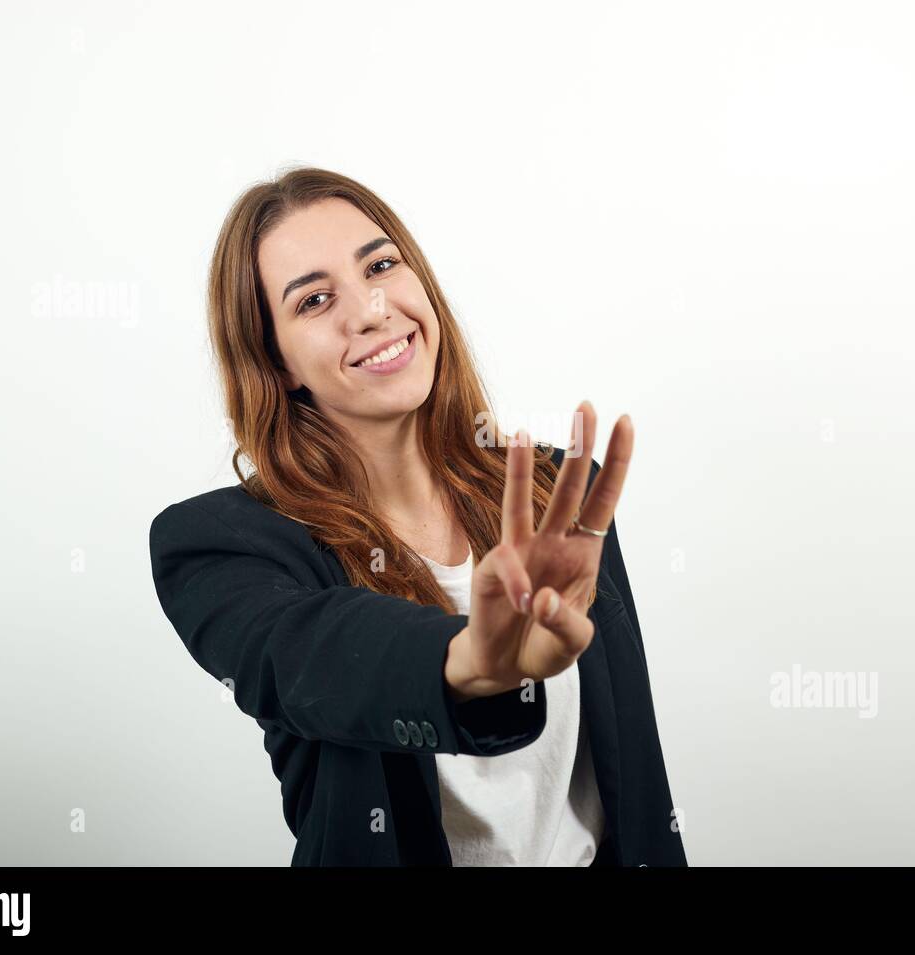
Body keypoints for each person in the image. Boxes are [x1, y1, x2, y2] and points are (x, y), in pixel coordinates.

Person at [148, 168, 686, 866]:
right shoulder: (221, 546)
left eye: (380, 264)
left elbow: (637, 785)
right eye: (314, 300)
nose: (370, 310)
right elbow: (312, 654)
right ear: (276, 363)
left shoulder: (555, 498)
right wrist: (470, 661)